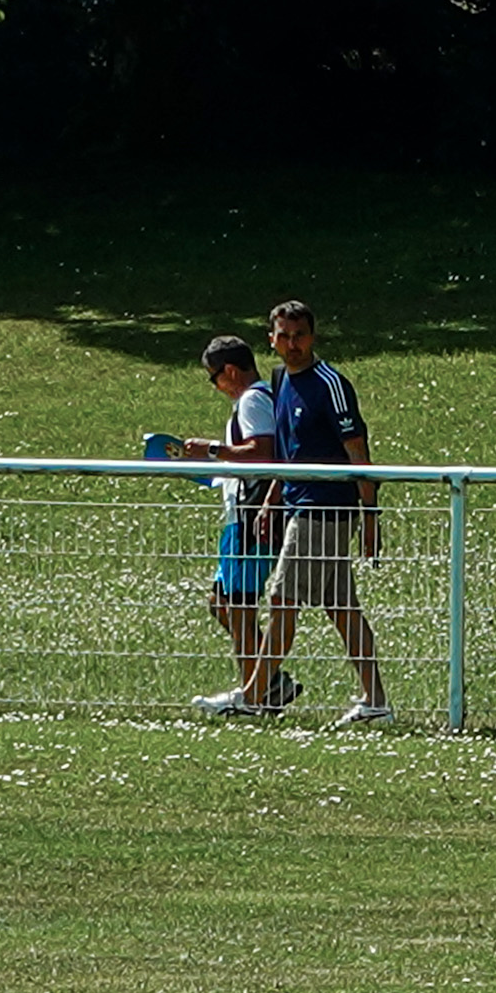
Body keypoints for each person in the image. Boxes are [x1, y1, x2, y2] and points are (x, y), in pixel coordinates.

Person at [193, 300, 392, 727]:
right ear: (272, 340)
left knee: (282, 600)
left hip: (325, 509)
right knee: (343, 609)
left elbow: (360, 456)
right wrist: (271, 500)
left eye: (299, 335)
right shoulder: (280, 381)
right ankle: (376, 702)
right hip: (297, 505)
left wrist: (370, 518)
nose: (292, 344)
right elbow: (286, 455)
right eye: (283, 336)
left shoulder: (331, 384)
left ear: (312, 336)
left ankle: (251, 697)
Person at [183, 336, 299, 712]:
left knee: (238, 606)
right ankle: (268, 682)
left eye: (214, 378)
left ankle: (256, 696)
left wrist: (213, 450)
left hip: (252, 519)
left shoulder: (252, 400)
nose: (215, 386)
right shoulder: (260, 399)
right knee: (222, 602)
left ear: (230, 371)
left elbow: (262, 452)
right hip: (242, 516)